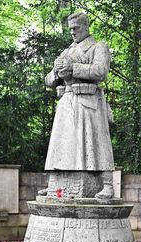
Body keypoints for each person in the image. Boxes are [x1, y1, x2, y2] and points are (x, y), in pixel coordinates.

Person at [42, 12, 114, 199]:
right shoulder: (66, 52)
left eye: (76, 28)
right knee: (61, 144)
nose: (73, 32)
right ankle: (55, 184)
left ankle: (106, 185)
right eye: (70, 29)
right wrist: (57, 72)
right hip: (67, 101)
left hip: (89, 101)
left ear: (86, 27)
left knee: (95, 144)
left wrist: (73, 67)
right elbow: (48, 80)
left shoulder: (99, 47)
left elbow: (100, 71)